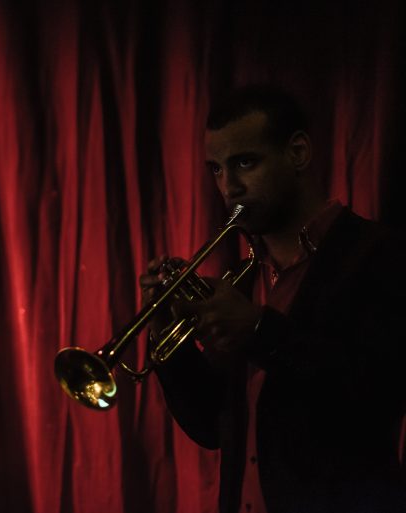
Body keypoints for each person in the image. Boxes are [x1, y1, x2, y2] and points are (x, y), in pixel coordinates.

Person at [139, 86, 406, 513]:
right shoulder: (244, 279)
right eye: (216, 170)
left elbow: (377, 395)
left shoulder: (379, 254)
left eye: (245, 163)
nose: (230, 187)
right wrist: (168, 337)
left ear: (298, 152)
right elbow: (212, 427)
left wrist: (260, 330)